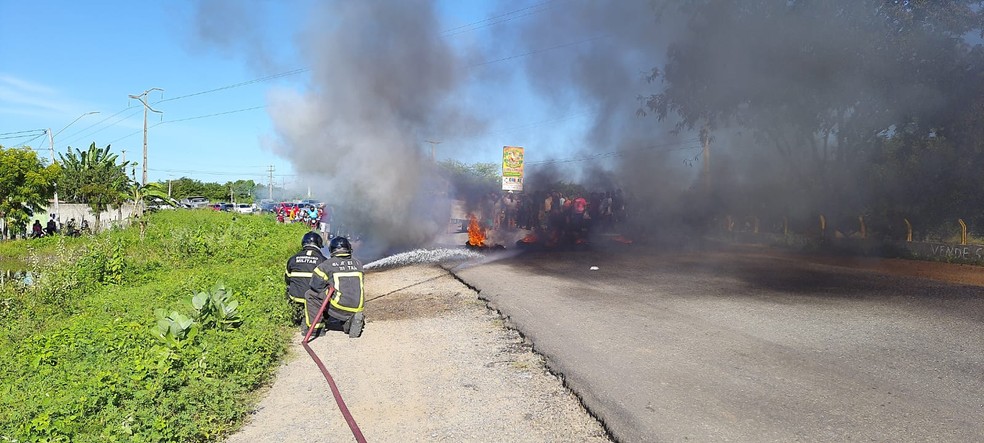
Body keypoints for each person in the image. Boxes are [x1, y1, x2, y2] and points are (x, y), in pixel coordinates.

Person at [304, 236, 365, 338]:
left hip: (339, 305)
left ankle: (316, 329)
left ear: (331, 250)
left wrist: (327, 287)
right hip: (358, 305)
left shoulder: (327, 265)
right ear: (349, 249)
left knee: (310, 295)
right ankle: (349, 322)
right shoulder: (358, 263)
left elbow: (315, 285)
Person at [285, 232, 328, 331]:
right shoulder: (323, 260)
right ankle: (320, 318)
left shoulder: (292, 259)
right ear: (319, 244)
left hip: (296, 297)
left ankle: (297, 314)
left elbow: (287, 279)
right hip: (314, 299)